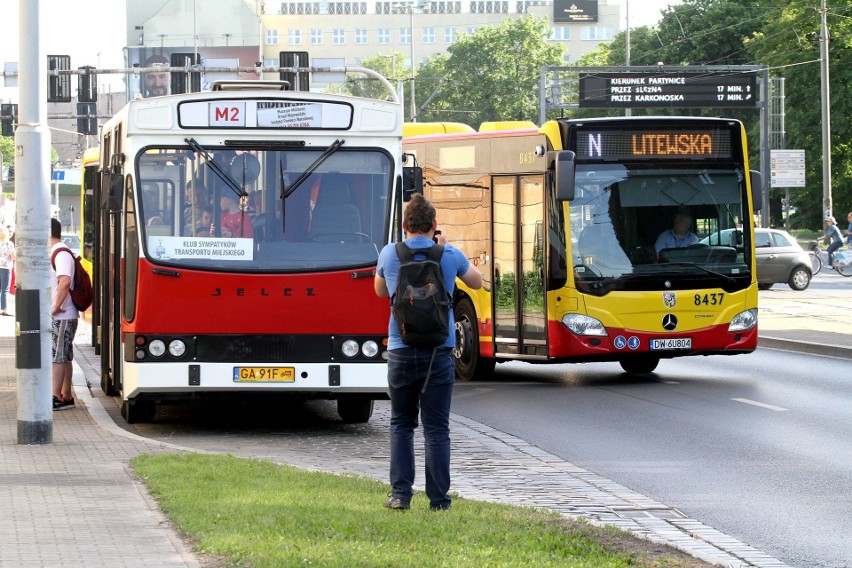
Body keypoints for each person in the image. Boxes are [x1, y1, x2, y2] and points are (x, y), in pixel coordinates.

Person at [374, 194, 482, 511]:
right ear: (433, 225)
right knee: (436, 428)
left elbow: (380, 291)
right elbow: (477, 282)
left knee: (401, 424)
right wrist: (446, 248)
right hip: (440, 349)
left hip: (401, 347)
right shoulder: (448, 253)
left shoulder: (390, 254)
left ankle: (400, 495)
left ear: (405, 226)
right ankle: (438, 501)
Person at [50, 217, 79, 411]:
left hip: (62, 314)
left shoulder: (60, 253)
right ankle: (66, 395)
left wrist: (55, 306)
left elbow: (65, 281)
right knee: (65, 355)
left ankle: (54, 396)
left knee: (57, 356)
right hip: (65, 314)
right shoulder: (58, 252)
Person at [0, 225, 16, 316]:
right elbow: (13, 256)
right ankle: (4, 309)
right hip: (6, 268)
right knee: (4, 289)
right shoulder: (9, 243)